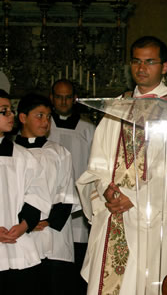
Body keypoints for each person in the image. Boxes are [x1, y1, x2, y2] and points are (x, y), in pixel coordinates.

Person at [76, 36, 167, 295]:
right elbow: (98, 158)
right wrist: (106, 190)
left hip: (152, 214)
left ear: (165, 66)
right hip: (113, 210)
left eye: (149, 62)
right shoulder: (118, 104)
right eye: (136, 61)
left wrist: (134, 197)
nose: (141, 68)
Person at [15, 93, 78, 295]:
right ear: (23, 117)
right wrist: (25, 222)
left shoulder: (59, 152)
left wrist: (49, 220)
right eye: (39, 115)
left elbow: (67, 191)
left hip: (53, 235)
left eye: (48, 117)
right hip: (20, 233)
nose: (46, 122)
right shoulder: (9, 152)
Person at [0, 89, 51, 295]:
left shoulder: (23, 157)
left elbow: (38, 195)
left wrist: (23, 225)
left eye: (11, 110)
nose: (12, 115)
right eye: (4, 111)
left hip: (16, 243)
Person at [48, 79, 95, 295]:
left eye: (68, 97)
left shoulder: (88, 129)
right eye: (59, 96)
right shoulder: (44, 126)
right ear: (52, 98)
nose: (63, 101)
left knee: (79, 264)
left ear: (74, 99)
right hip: (49, 206)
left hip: (79, 207)